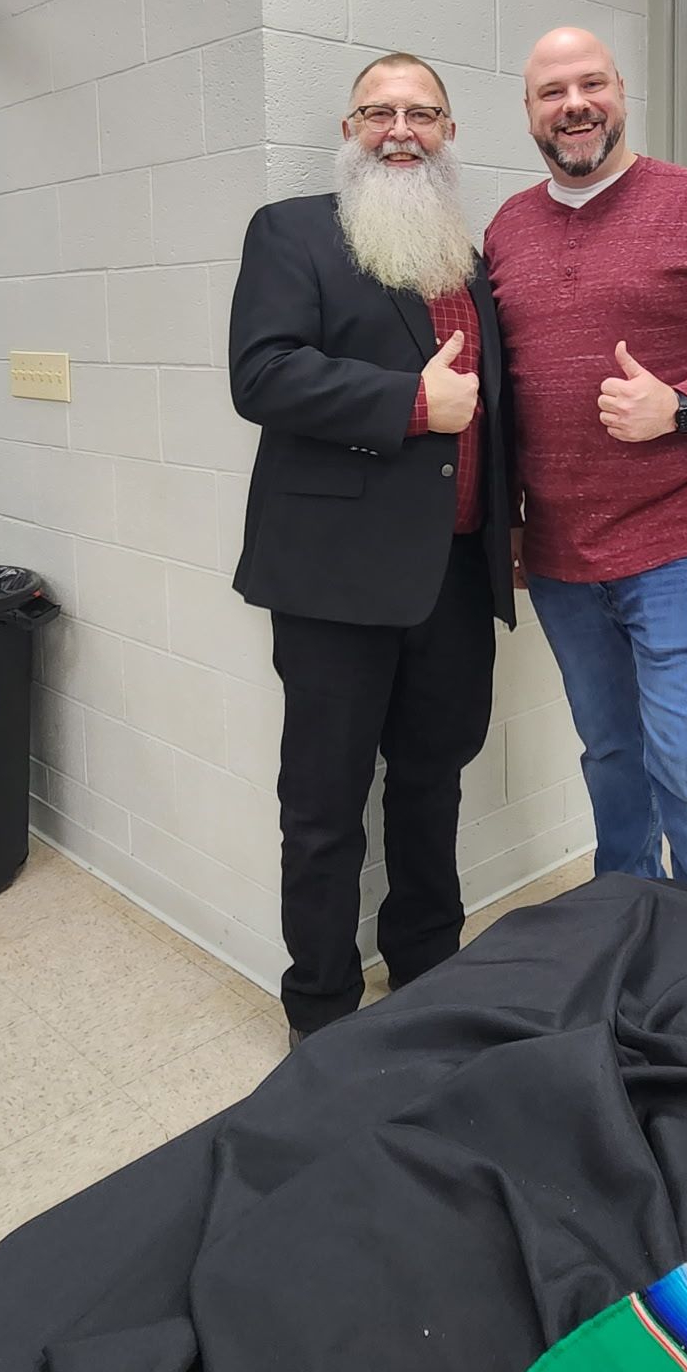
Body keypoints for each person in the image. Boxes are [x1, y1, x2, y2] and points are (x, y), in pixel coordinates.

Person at [230, 53, 514, 1044]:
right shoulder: (292, 231)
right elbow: (262, 374)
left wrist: (509, 526)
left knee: (434, 780)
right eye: (378, 111)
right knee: (323, 805)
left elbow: (495, 410)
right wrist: (408, 403)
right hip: (332, 579)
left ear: (449, 130)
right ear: (348, 127)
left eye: (423, 112)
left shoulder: (466, 258)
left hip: (453, 572)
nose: (401, 128)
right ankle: (321, 1010)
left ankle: (429, 968)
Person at [484, 27, 687, 907]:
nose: (573, 104)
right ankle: (625, 932)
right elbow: (506, 391)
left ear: (622, 93)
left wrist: (684, 404)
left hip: (680, 542)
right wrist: (509, 516)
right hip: (557, 555)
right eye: (552, 91)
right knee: (611, 756)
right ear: (528, 113)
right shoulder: (507, 227)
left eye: (591, 84)